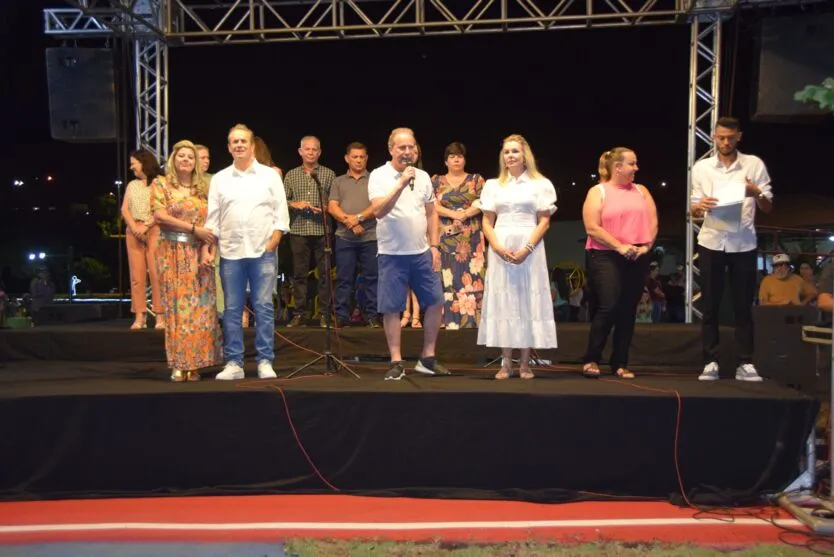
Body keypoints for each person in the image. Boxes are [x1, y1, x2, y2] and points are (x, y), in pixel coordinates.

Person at [690, 117, 773, 382]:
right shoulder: (702, 168)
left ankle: (745, 362)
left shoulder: (753, 164)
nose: (725, 142)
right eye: (721, 137)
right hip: (712, 240)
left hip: (743, 243)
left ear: (739, 136)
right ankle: (710, 361)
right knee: (710, 305)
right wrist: (700, 206)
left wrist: (755, 192)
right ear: (714, 137)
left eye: (730, 137)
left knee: (742, 306)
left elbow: (768, 206)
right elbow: (692, 210)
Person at [206, 124, 290, 381]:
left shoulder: (269, 175)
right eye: (234, 142)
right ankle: (234, 363)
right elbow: (213, 218)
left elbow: (281, 212)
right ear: (229, 147)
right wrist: (210, 247)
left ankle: (265, 360)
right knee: (231, 309)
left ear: (252, 145)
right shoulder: (219, 179)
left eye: (243, 141)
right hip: (230, 253)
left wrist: (274, 241)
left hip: (262, 251)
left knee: (263, 307)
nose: (239, 145)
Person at [369, 127, 450, 381]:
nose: (407, 151)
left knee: (435, 301)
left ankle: (427, 357)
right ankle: (396, 360)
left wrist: (434, 246)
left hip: (421, 252)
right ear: (391, 149)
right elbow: (378, 211)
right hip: (392, 253)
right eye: (402, 147)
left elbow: (431, 212)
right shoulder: (379, 175)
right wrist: (401, 182)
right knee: (392, 307)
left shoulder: (424, 176)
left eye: (411, 147)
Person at [477, 134, 558, 379]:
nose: (510, 155)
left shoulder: (540, 183)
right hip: (501, 245)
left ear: (525, 155)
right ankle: (505, 363)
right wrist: (499, 248)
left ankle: (524, 363)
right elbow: (486, 221)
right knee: (505, 301)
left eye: (515, 151)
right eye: (506, 152)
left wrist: (527, 248)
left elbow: (544, 221)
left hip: (529, 246)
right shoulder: (493, 185)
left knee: (526, 300)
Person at [581, 147, 658, 379]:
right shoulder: (598, 191)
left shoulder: (642, 191)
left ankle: (620, 363)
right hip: (606, 254)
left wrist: (646, 247)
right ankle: (592, 358)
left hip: (637, 255)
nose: (636, 168)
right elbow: (592, 227)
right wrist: (619, 246)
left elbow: (653, 222)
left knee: (627, 310)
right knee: (609, 304)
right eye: (632, 164)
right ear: (618, 167)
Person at [151, 140, 222, 382]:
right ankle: (180, 362)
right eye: (181, 156)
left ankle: (197, 363)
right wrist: (193, 228)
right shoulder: (161, 184)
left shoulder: (203, 189)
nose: (186, 160)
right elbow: (159, 215)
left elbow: (212, 222)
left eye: (190, 157)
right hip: (172, 251)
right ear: (173, 159)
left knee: (201, 308)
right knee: (177, 309)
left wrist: (207, 247)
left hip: (199, 251)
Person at [431, 142, 486, 330]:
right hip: (446, 236)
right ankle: (449, 320)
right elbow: (431, 205)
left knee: (471, 274)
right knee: (447, 275)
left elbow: (484, 202)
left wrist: (466, 214)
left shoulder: (476, 179)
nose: (456, 159)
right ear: (446, 161)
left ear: (465, 159)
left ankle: (473, 321)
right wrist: (453, 214)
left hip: (471, 235)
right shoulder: (436, 180)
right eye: (452, 156)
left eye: (460, 156)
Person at [284, 136, 336, 327]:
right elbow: (282, 201)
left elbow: (334, 202)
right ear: (300, 152)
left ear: (319, 152)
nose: (311, 153)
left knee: (324, 274)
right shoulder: (291, 175)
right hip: (298, 229)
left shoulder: (329, 174)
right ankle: (299, 313)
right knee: (299, 274)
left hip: (322, 229)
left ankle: (324, 313)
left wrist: (323, 208)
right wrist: (294, 204)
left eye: (314, 150)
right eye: (307, 149)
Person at [328, 142, 379, 328]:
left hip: (371, 236)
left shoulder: (375, 179)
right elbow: (332, 206)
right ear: (347, 158)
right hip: (344, 236)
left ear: (366, 158)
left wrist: (357, 218)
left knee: (372, 277)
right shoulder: (338, 181)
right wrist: (350, 222)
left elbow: (378, 205)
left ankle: (372, 316)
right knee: (344, 278)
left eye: (362, 157)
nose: (358, 160)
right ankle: (341, 317)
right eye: (355, 156)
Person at [121, 148, 164, 330]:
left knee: (156, 273)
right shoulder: (132, 185)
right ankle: (140, 315)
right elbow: (124, 209)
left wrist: (146, 226)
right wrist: (134, 227)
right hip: (134, 231)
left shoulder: (160, 182)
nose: (132, 167)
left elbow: (163, 209)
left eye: (133, 163)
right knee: (137, 276)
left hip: (154, 229)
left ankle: (160, 316)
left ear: (143, 162)